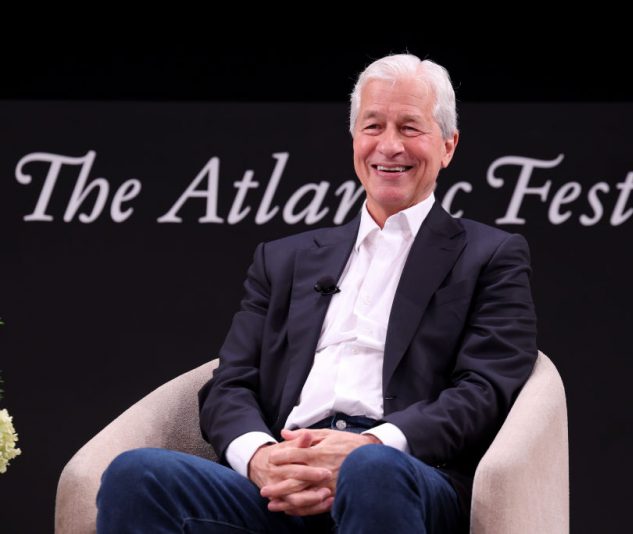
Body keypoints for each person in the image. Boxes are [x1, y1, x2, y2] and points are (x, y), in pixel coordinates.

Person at [96, 53, 537, 534]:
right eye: (373, 126)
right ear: (354, 140)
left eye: (410, 128)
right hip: (281, 476)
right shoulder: (283, 259)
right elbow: (230, 384)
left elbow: (486, 389)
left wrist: (371, 446)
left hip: (403, 475)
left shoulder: (490, 255)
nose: (389, 146)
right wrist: (260, 458)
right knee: (135, 475)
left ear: (448, 146)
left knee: (372, 472)